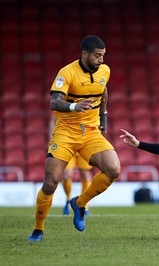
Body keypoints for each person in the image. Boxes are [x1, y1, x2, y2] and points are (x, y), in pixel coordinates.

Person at [27, 35, 121, 241]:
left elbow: (103, 94)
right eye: (97, 56)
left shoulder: (104, 71)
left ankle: (79, 203)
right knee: (51, 182)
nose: (101, 60)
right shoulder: (67, 73)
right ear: (84, 54)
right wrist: (74, 106)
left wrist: (103, 122)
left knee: (114, 169)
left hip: (91, 132)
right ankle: (38, 228)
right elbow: (54, 101)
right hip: (66, 132)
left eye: (103, 56)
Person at [49, 115, 93, 215]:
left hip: (85, 142)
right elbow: (53, 120)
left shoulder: (89, 100)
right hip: (68, 142)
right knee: (66, 174)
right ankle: (68, 199)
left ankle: (84, 205)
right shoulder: (65, 100)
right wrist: (51, 139)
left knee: (85, 173)